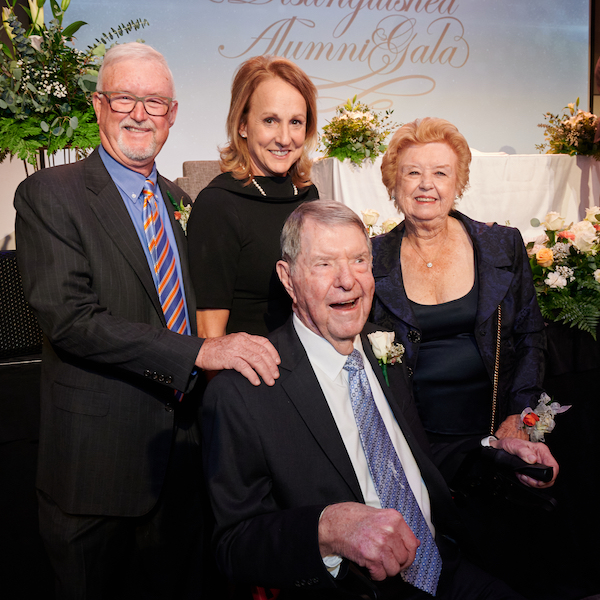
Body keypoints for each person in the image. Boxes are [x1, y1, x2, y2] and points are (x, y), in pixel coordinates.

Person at [14, 43, 280, 600]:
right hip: (97, 473)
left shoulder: (183, 203)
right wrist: (198, 353)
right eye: (125, 98)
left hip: (184, 466)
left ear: (173, 114)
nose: (139, 113)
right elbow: (71, 319)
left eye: (154, 102)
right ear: (98, 105)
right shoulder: (49, 195)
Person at [202, 201, 557, 599]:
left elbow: (413, 457)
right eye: (324, 264)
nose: (347, 281)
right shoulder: (243, 391)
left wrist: (493, 448)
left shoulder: (383, 347)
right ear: (288, 279)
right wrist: (327, 530)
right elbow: (233, 547)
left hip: (446, 564)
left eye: (358, 260)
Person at [370, 117, 550, 481]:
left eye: (440, 173)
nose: (426, 185)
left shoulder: (502, 245)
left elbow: (530, 337)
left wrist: (519, 415)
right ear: (393, 183)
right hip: (413, 437)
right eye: (412, 173)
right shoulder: (371, 258)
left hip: (497, 430)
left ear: (458, 183)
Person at [187, 55, 319, 338]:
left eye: (296, 122)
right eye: (270, 120)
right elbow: (209, 333)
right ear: (242, 125)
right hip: (250, 375)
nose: (285, 138)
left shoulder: (307, 195)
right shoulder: (219, 205)